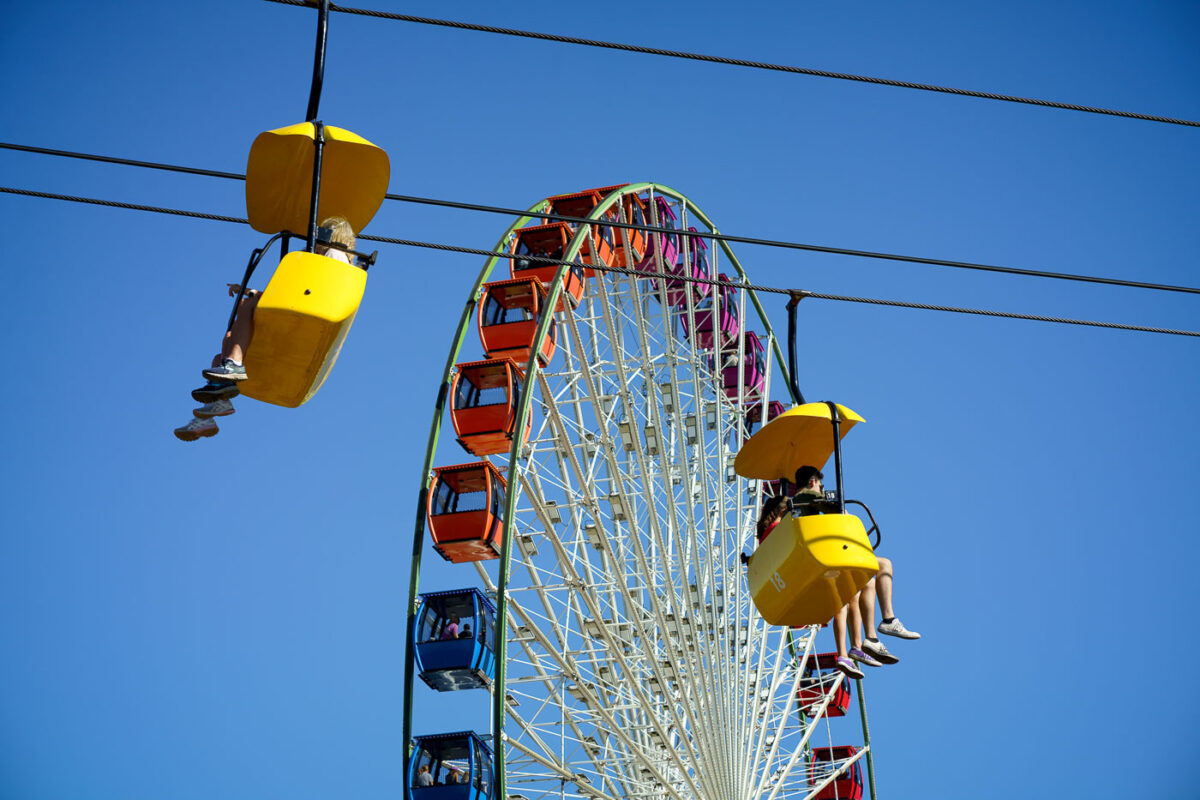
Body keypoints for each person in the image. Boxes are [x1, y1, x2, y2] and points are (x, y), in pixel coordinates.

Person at [174, 217, 357, 441]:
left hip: (308, 314)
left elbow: (313, 295)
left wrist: (252, 296)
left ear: (334, 235)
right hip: (300, 311)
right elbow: (289, 295)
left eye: (322, 232)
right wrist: (248, 290)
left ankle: (234, 365)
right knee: (225, 347)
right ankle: (211, 412)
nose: (316, 235)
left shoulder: (333, 256)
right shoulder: (321, 260)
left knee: (246, 306)